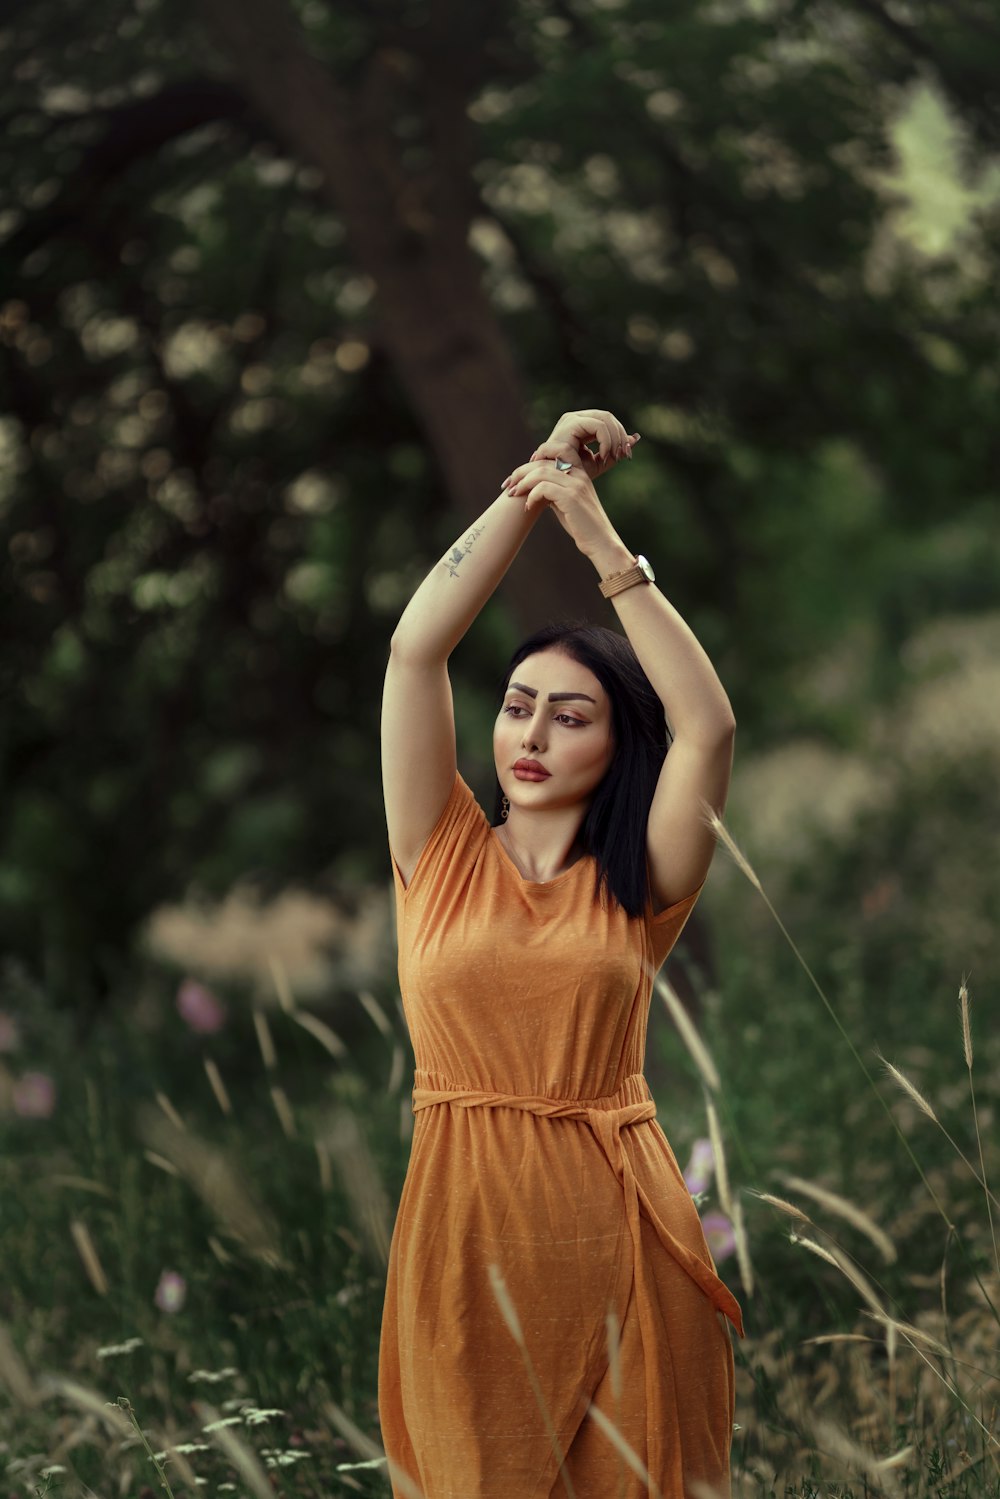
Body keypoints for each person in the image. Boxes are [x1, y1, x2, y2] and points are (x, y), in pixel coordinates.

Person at [378, 408, 744, 1499]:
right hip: (462, 1238)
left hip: (622, 1228)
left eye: (570, 716)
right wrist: (536, 478)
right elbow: (413, 647)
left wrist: (599, 542)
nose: (530, 735)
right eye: (517, 707)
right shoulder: (433, 849)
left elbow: (710, 726)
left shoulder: (643, 875)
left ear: (617, 743)